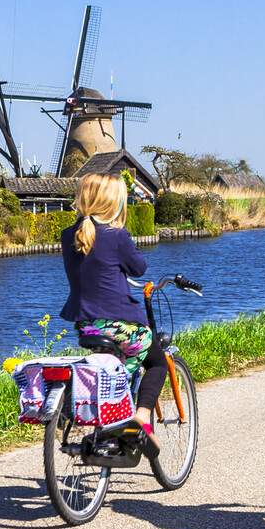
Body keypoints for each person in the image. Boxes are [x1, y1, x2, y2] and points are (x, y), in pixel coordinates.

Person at [59, 173, 166, 427]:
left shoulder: (68, 235)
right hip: (120, 326)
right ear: (112, 202)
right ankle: (141, 417)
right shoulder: (116, 235)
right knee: (157, 362)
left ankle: (100, 408)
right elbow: (139, 267)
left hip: (86, 325)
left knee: (111, 366)